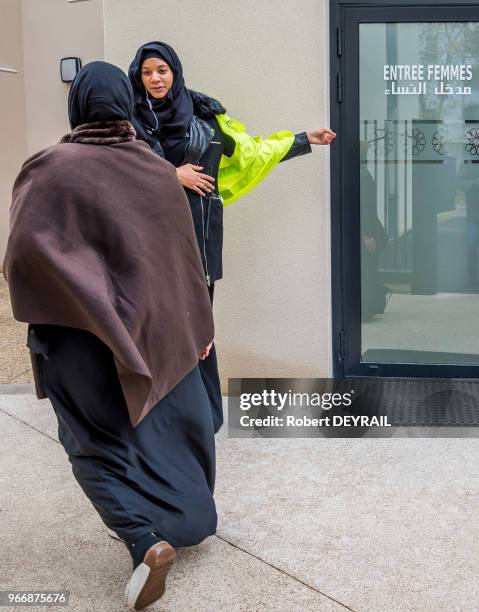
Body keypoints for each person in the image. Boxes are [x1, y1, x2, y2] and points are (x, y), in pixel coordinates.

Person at [3, 61, 218, 610]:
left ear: (77, 106)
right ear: (124, 103)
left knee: (90, 445)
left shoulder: (47, 167)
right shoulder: (153, 170)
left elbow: (22, 256)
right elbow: (181, 261)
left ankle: (145, 544)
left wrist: (83, 292)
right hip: (150, 333)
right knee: (161, 432)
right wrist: (199, 327)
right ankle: (188, 518)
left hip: (75, 336)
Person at [128, 41, 337, 433]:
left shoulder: (205, 119)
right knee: (156, 323)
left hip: (197, 239)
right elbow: (116, 169)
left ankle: (203, 416)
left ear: (175, 72)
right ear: (138, 77)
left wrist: (303, 138)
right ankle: (161, 415)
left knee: (198, 325)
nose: (155, 78)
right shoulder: (128, 122)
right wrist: (171, 174)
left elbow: (252, 153)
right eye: (146, 72)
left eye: (162, 70)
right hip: (148, 240)